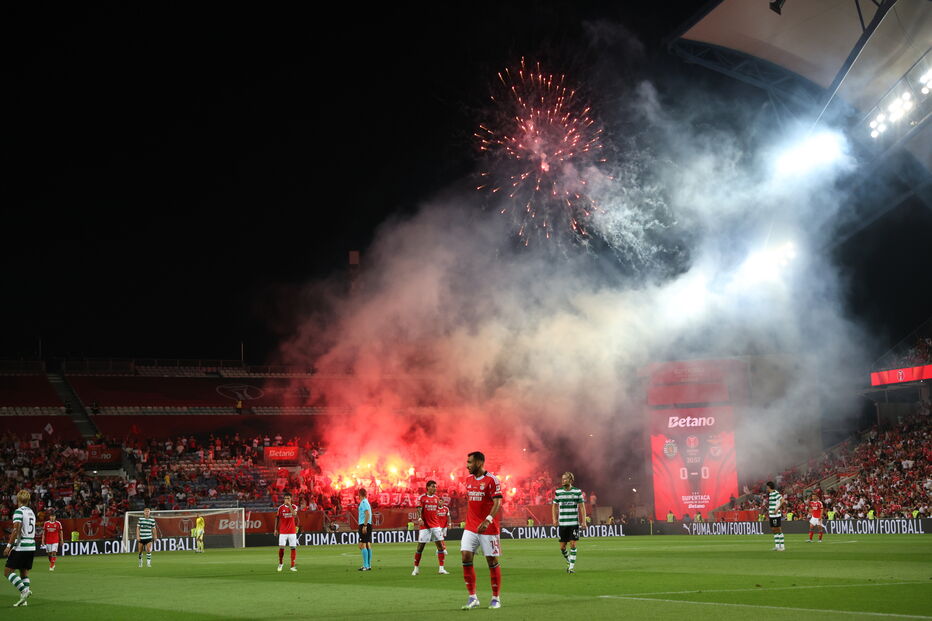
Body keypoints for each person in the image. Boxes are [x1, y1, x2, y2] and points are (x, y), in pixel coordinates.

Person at [460, 451, 503, 610]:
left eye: (469, 462)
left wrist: (488, 520)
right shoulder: (468, 480)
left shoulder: (492, 480)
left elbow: (497, 503)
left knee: (492, 561)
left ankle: (496, 598)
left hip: (489, 528)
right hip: (471, 527)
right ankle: (472, 597)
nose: (467, 465)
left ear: (479, 462)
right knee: (465, 556)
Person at [4, 490, 36, 607]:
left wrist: (9, 546)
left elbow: (16, 530)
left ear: (18, 500)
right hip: (31, 546)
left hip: (22, 546)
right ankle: (24, 600)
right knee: (24, 572)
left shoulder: (18, 512)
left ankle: (24, 591)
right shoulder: (31, 512)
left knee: (8, 572)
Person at [551, 472, 586, 574]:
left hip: (573, 523)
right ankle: (568, 560)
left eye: (565, 479)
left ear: (571, 480)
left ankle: (570, 568)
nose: (563, 480)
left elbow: (582, 507)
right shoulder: (558, 492)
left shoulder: (577, 491)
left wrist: (584, 521)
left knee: (573, 544)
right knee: (562, 547)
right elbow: (554, 506)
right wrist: (554, 519)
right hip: (562, 524)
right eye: (562, 479)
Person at [412, 480, 449, 575]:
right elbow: (419, 509)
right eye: (433, 486)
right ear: (427, 487)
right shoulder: (422, 498)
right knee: (420, 547)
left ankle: (441, 568)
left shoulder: (437, 499)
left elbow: (435, 512)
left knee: (440, 547)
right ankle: (416, 568)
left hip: (435, 526)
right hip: (425, 526)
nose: (435, 488)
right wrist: (420, 518)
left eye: (436, 487)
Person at [274, 492, 298, 572]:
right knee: (281, 548)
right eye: (285, 498)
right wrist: (275, 529)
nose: (286, 500)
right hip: (283, 532)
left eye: (288, 498)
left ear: (291, 499)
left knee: (293, 548)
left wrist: (289, 505)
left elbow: (294, 515)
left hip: (292, 532)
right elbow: (277, 518)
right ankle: (280, 564)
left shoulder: (294, 506)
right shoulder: (280, 508)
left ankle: (292, 566)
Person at [765, 482, 785, 551]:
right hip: (771, 514)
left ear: (769, 487)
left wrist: (777, 509)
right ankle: (777, 546)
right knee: (773, 530)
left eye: (767, 487)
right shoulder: (770, 494)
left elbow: (782, 500)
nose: (766, 488)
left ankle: (782, 546)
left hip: (776, 515)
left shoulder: (775, 493)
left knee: (778, 529)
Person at [357, 489, 373, 571]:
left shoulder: (363, 503)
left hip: (364, 524)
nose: (358, 497)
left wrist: (365, 525)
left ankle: (365, 565)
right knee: (367, 544)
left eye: (358, 495)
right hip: (368, 524)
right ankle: (368, 565)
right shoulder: (367, 502)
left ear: (360, 495)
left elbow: (367, 513)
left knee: (362, 545)